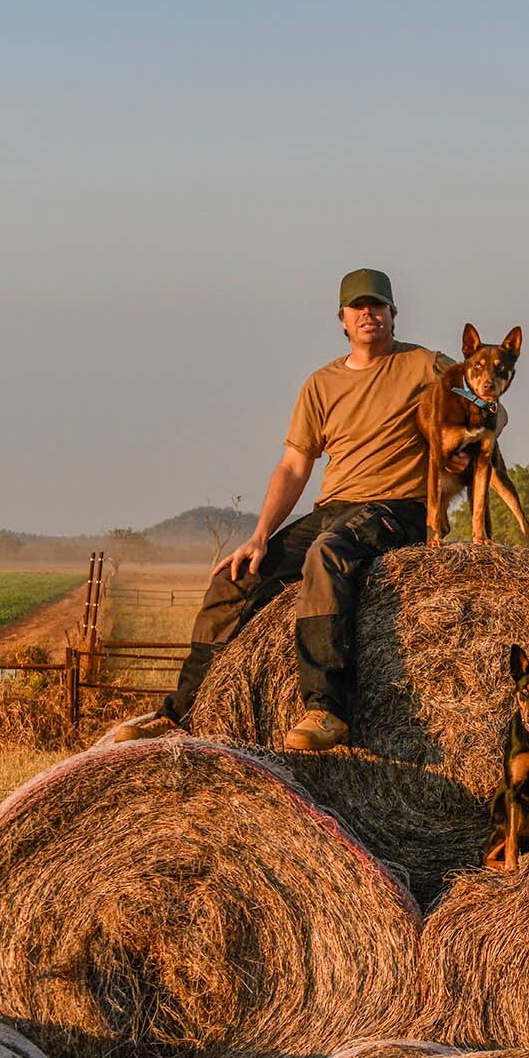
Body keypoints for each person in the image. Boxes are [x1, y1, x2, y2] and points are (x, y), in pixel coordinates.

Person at [112, 269, 469, 752]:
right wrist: (258, 535)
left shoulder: (425, 364)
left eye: (378, 306)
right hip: (335, 506)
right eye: (359, 307)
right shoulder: (321, 384)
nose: (369, 314)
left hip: (398, 506)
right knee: (234, 579)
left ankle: (327, 709)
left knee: (327, 554)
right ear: (342, 318)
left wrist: (466, 441)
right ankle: (181, 712)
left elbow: (488, 406)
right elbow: (294, 465)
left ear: (393, 314)